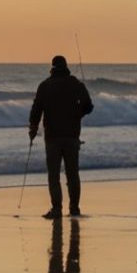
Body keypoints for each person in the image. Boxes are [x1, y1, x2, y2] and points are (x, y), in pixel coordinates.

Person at [28, 54, 93, 219]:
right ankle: (75, 208)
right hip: (72, 135)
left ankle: (56, 209)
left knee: (53, 175)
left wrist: (33, 129)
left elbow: (36, 109)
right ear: (66, 66)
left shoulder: (45, 85)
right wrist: (78, 114)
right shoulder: (76, 84)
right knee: (73, 174)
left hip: (52, 136)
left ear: (52, 67)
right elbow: (89, 106)